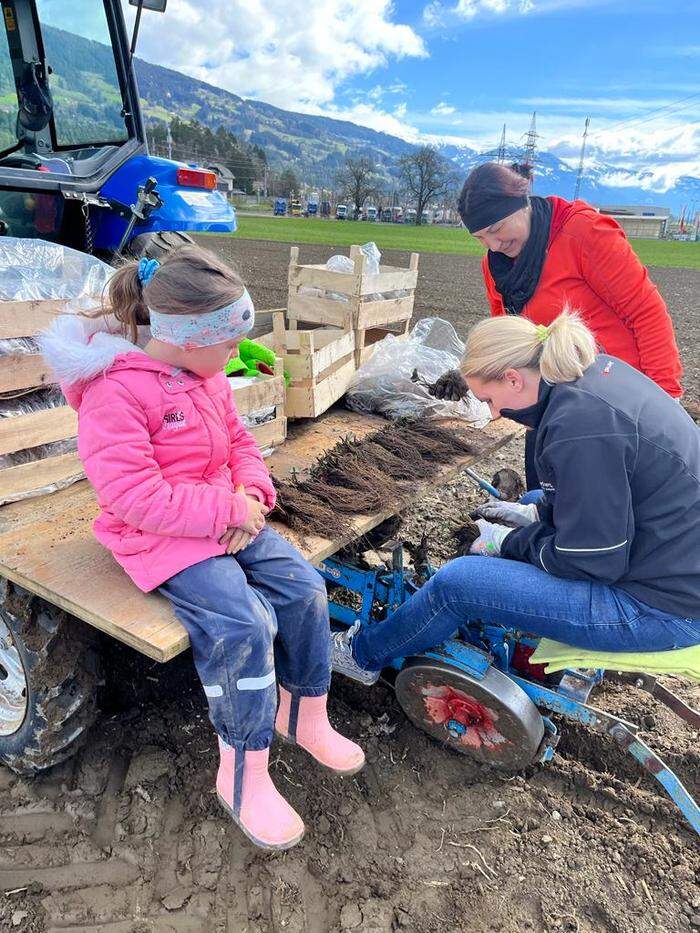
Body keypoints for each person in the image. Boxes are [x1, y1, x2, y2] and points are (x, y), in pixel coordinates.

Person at [40, 245, 364, 851]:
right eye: (228, 343)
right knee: (242, 626)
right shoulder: (116, 395)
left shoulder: (205, 376)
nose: (235, 356)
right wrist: (226, 512)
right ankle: (243, 771)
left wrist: (252, 494)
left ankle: (304, 713)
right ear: (189, 339)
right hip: (158, 537)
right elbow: (135, 497)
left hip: (226, 516)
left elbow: (240, 440)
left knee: (304, 589)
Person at [331, 311, 700, 685]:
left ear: (513, 378)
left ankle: (361, 655)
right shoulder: (591, 374)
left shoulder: (578, 430)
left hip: (661, 608)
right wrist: (537, 511)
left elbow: (593, 562)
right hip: (666, 560)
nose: (493, 412)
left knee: (458, 584)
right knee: (539, 494)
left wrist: (509, 542)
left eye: (489, 399)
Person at [431, 162, 684, 487]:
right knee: (549, 499)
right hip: (551, 408)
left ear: (521, 205)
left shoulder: (583, 233)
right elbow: (506, 335)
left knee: (607, 507)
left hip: (614, 405)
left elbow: (646, 313)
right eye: (481, 237)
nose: (493, 244)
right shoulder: (496, 266)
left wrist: (664, 401)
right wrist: (476, 379)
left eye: (497, 228)